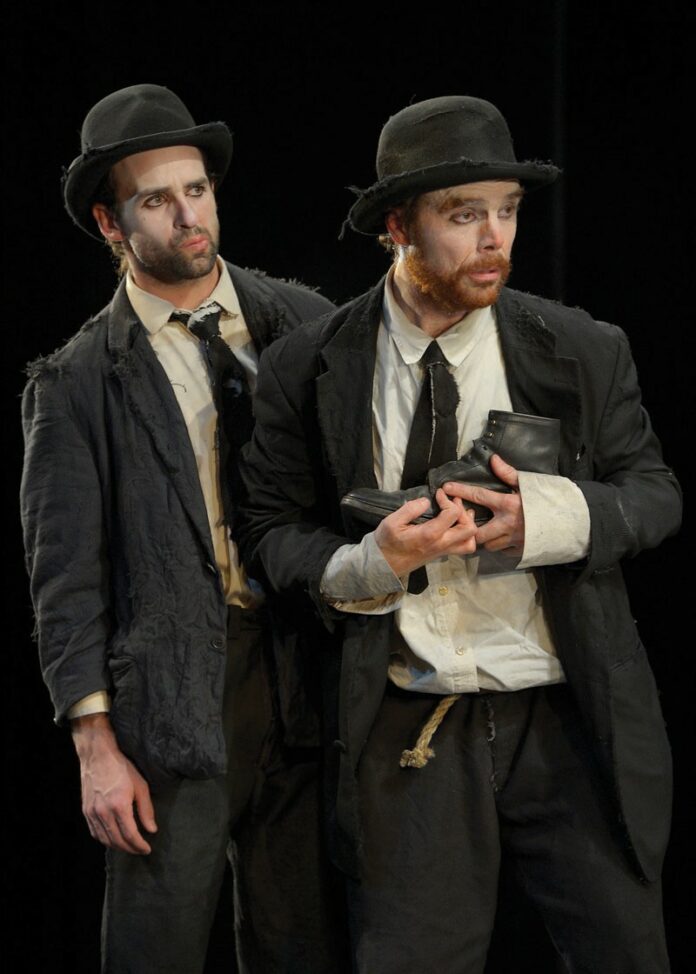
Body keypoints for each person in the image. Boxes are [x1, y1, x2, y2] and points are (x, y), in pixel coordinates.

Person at [237, 95, 682, 973]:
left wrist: (545, 519)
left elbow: (654, 494)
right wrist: (369, 563)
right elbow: (269, 528)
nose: (495, 240)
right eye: (464, 214)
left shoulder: (582, 349)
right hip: (410, 720)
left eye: (507, 212)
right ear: (397, 227)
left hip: (564, 713)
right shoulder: (309, 365)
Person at [20, 83, 345, 974]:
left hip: (301, 672)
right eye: (156, 200)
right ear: (110, 223)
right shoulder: (77, 381)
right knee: (156, 947)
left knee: (303, 942)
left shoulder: (303, 324)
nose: (188, 215)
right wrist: (94, 748)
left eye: (196, 190)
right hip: (173, 694)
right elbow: (64, 579)